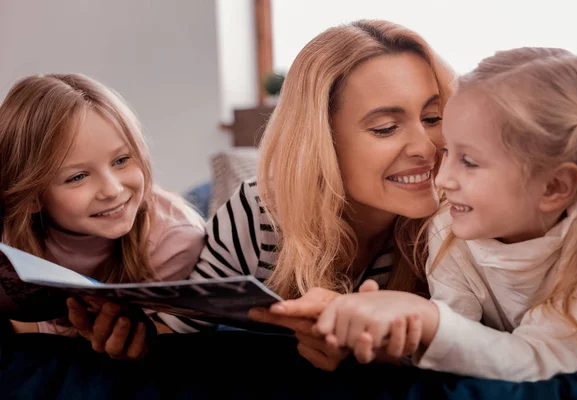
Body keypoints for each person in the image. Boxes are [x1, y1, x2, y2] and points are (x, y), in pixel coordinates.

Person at [68, 19, 454, 368]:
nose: (426, 147)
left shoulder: (461, 217)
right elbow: (177, 330)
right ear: (320, 140)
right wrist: (131, 340)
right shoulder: (257, 214)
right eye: (386, 127)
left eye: (433, 118)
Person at [315, 47, 577, 381]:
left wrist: (426, 317)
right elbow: (455, 345)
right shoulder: (447, 228)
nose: (441, 178)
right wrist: (395, 330)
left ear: (553, 187)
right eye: (447, 150)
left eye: (469, 161)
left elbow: (538, 357)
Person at [0, 73, 206, 359]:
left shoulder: (175, 240)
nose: (112, 189)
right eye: (78, 176)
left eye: (122, 160)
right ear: (32, 196)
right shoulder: (11, 234)